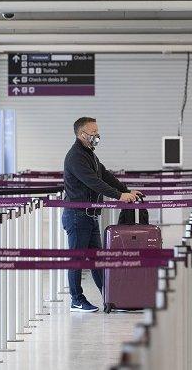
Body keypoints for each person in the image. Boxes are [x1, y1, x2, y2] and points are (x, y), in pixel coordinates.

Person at [62, 116, 142, 313]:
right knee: (78, 260)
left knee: (98, 260)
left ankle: (110, 298)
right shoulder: (75, 157)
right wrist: (119, 196)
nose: (97, 135)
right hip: (77, 216)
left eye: (97, 131)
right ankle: (76, 300)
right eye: (93, 132)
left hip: (90, 216)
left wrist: (127, 191)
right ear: (82, 134)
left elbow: (105, 175)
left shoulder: (89, 154)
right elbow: (93, 182)